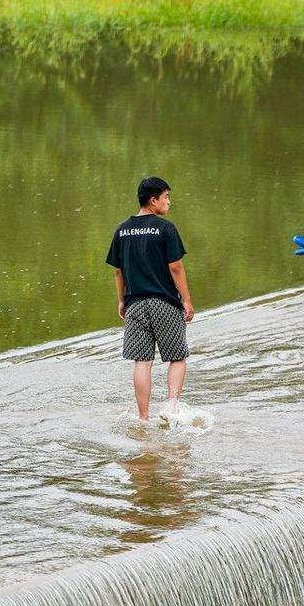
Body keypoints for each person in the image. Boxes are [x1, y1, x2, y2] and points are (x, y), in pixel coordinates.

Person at [106, 176, 194, 422]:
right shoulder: (165, 228)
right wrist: (186, 300)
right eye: (166, 196)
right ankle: (171, 407)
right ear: (153, 200)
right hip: (164, 302)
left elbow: (118, 270)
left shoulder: (122, 230)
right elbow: (175, 266)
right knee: (176, 356)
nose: (169, 201)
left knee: (142, 362)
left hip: (134, 304)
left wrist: (122, 300)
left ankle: (143, 418)